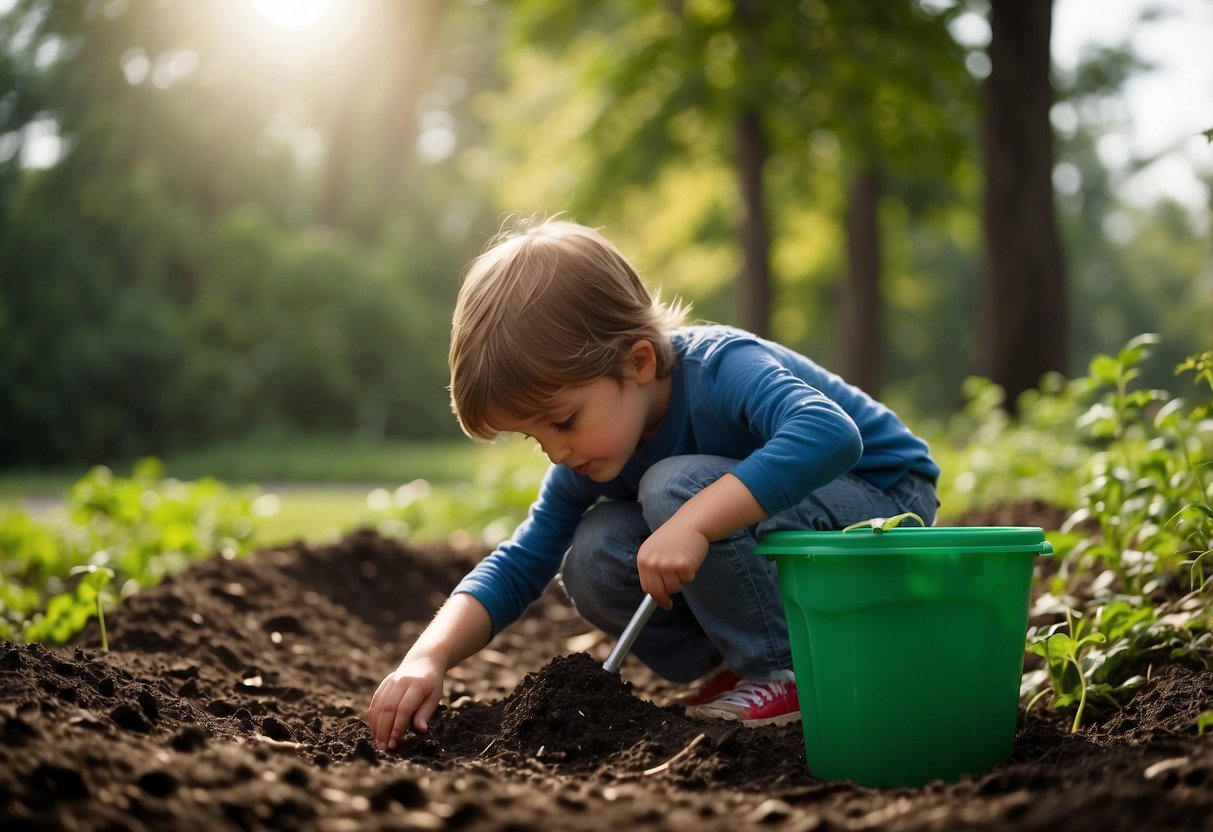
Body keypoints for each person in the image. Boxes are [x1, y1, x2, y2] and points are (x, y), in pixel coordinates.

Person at [367, 217, 939, 750]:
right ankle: (732, 668)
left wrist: (693, 518)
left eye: (563, 420)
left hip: (882, 499)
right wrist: (429, 657)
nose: (556, 451)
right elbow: (521, 561)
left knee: (675, 487)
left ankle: (785, 669)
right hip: (782, 521)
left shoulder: (720, 367)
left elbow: (830, 435)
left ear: (638, 362)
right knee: (589, 552)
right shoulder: (591, 453)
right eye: (534, 437)